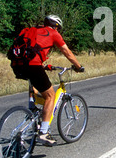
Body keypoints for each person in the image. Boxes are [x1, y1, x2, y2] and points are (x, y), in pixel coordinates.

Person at [13, 15, 84, 146]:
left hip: (17, 65)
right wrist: (78, 67)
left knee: (34, 84)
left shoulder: (34, 31)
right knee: (50, 96)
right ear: (56, 26)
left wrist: (43, 66)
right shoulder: (53, 33)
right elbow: (66, 52)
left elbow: (32, 51)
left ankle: (32, 109)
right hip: (33, 66)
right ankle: (44, 133)